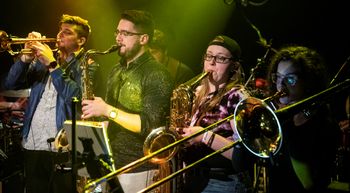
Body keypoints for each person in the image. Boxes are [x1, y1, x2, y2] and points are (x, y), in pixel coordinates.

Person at [81, 10, 174, 193]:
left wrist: (107, 110)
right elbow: (109, 118)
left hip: (138, 167)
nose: (118, 38)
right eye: (117, 32)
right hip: (109, 162)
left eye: (126, 33)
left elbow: (150, 126)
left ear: (144, 39)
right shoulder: (116, 70)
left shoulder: (157, 74)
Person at [4, 14, 96, 193]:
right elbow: (10, 84)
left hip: (63, 148)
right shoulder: (42, 62)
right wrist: (25, 60)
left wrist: (52, 65)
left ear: (81, 40)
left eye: (67, 32)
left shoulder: (88, 65)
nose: (59, 35)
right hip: (33, 142)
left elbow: (76, 97)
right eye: (60, 31)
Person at [179, 35, 252, 193]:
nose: (211, 62)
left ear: (234, 66)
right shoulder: (197, 92)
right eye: (209, 56)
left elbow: (243, 154)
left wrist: (204, 136)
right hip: (193, 178)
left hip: (222, 183)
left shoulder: (237, 97)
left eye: (220, 58)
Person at [264, 45, 339, 193]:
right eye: (278, 77)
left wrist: (285, 128)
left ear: (309, 81)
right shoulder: (279, 116)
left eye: (290, 78)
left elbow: (308, 183)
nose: (281, 85)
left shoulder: (325, 125)